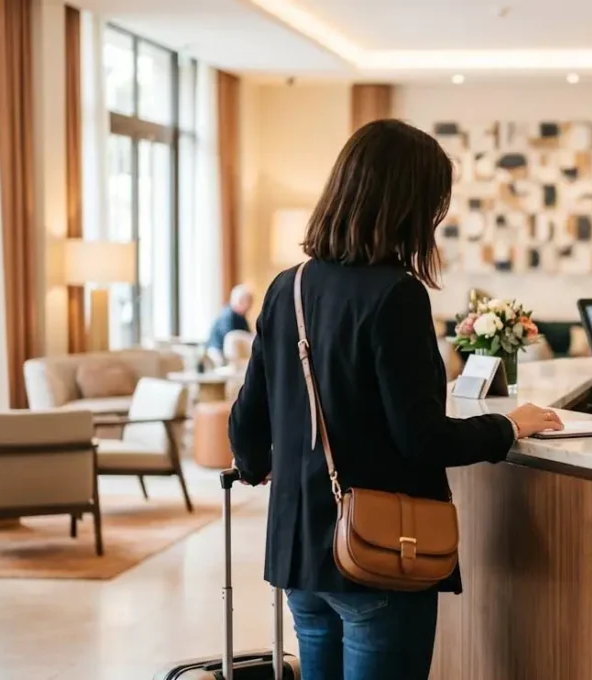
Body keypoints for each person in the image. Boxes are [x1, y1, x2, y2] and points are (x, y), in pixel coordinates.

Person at [227, 119, 564, 680]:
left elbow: (248, 423)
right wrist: (510, 427)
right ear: (411, 206)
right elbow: (422, 439)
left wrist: (260, 465)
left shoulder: (289, 285)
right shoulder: (396, 294)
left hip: (299, 553)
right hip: (375, 552)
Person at [206, 285, 254, 365]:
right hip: (217, 350)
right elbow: (230, 338)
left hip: (228, 352)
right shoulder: (227, 315)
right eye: (249, 301)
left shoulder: (241, 317)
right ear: (241, 301)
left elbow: (247, 333)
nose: (250, 306)